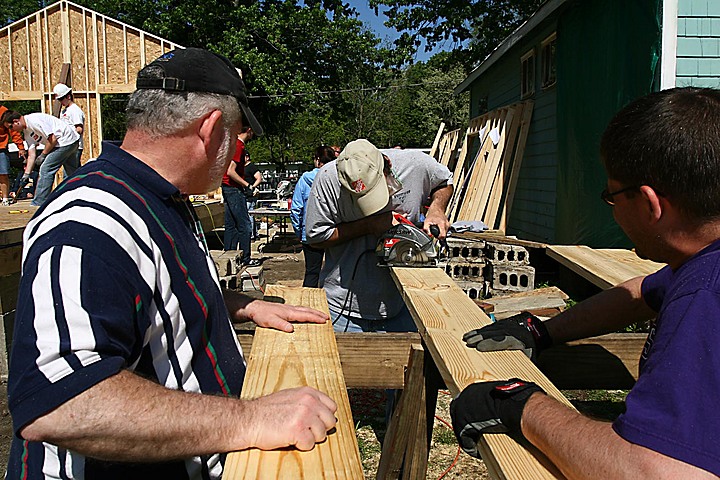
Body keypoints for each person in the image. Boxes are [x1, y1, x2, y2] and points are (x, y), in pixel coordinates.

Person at [6, 48, 336, 479]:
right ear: (211, 129)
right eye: (235, 136)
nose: (234, 149)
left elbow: (151, 291)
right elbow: (58, 400)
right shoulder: (89, 221)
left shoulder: (163, 197)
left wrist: (237, 304)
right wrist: (249, 420)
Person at [450, 87, 720, 479]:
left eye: (612, 196)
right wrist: (540, 330)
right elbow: (640, 293)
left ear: (649, 203)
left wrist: (521, 405)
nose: (611, 209)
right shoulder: (699, 266)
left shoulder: (706, 295)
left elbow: (656, 471)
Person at [305, 138, 453, 333]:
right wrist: (369, 225)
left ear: (388, 166)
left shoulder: (415, 164)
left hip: (404, 301)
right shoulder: (327, 178)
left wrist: (436, 209)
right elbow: (315, 238)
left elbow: (444, 181)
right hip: (343, 307)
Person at [1, 110, 79, 207]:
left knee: (46, 169)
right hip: (70, 141)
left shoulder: (34, 121)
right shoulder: (27, 132)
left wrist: (43, 155)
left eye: (11, 127)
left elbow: (53, 139)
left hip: (65, 141)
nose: (12, 130)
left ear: (16, 121)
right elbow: (31, 154)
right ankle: (78, 195)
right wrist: (26, 174)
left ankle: (39, 202)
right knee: (72, 172)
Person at [291, 145, 335, 287]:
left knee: (311, 272)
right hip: (333, 233)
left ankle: (307, 305)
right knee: (334, 273)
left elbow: (296, 209)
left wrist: (299, 232)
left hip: (310, 233)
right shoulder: (336, 179)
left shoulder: (305, 179)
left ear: (317, 160)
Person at [222, 125, 259, 266]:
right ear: (249, 130)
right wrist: (248, 185)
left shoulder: (231, 144)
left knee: (231, 225)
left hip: (227, 188)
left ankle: (229, 257)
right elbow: (231, 171)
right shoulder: (239, 146)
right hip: (233, 189)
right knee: (245, 225)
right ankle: (246, 259)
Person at [54, 83, 85, 171]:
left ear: (68, 96)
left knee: (71, 174)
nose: (60, 102)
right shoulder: (65, 111)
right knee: (69, 173)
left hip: (74, 147)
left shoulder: (75, 110)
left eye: (61, 99)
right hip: (67, 145)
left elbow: (79, 129)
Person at [0, 104, 26, 205]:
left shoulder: (3, 112)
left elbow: (13, 131)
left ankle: (5, 198)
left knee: (3, 173)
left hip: (1, 147)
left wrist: (21, 147)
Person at [243, 151, 263, 240]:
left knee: (249, 215)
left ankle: (251, 235)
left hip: (250, 195)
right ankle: (255, 233)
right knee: (249, 215)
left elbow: (259, 178)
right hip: (245, 194)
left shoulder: (251, 167)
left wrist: (252, 187)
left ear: (247, 157)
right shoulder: (242, 168)